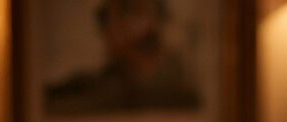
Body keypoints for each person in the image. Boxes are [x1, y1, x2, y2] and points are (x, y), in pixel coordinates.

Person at [45, 0, 201, 115]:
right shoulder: (78, 92)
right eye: (129, 11)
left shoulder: (185, 94)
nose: (147, 24)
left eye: (128, 11)